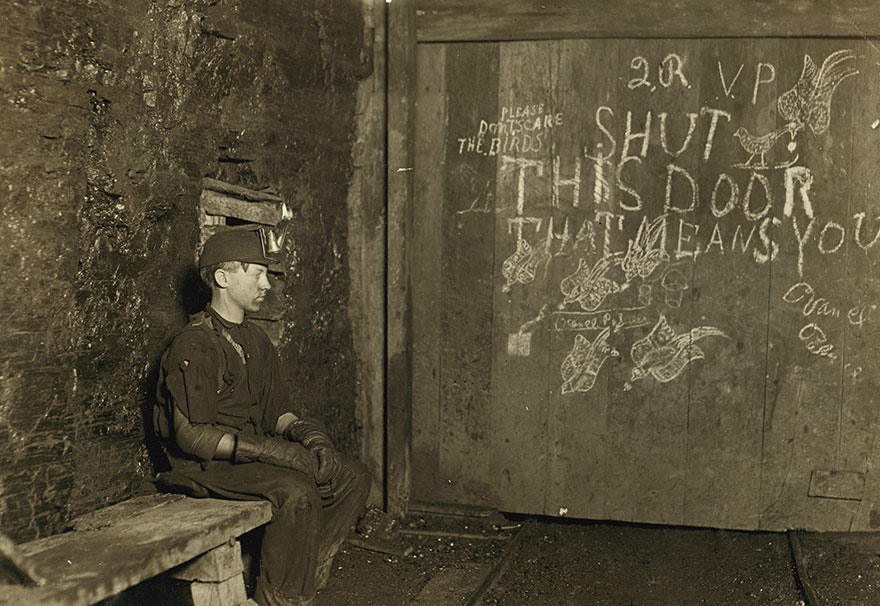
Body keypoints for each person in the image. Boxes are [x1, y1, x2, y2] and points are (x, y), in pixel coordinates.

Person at [153, 227, 371, 606]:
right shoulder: (196, 344)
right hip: (205, 467)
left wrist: (310, 437)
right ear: (223, 278)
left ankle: (301, 579)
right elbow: (192, 437)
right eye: (257, 272)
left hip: (248, 461)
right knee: (297, 492)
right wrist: (268, 452)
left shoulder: (255, 340)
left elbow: (278, 414)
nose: (266, 284)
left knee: (352, 475)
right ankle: (279, 599)